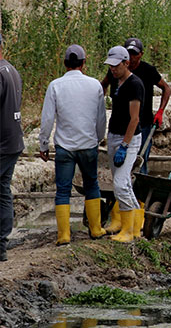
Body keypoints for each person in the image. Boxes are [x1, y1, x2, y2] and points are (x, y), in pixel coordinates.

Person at [39, 45, 108, 244]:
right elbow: (100, 117)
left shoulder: (55, 86)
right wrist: (97, 138)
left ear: (65, 64)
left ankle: (64, 235)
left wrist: (44, 144)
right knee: (92, 184)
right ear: (84, 63)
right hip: (88, 145)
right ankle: (95, 229)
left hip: (65, 148)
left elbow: (47, 120)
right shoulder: (94, 85)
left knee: (62, 190)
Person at [103, 38, 170, 175]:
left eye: (134, 53)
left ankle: (139, 194)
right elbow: (103, 85)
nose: (132, 57)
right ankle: (123, 192)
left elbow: (166, 88)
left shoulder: (148, 71)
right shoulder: (115, 70)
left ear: (141, 54)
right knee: (118, 166)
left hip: (142, 125)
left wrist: (160, 111)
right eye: (128, 53)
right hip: (118, 126)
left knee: (139, 161)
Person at [104, 45, 145, 242]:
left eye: (116, 65)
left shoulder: (135, 85)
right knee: (122, 183)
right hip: (113, 134)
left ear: (126, 63)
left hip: (128, 138)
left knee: (120, 184)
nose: (112, 69)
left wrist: (125, 146)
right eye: (110, 66)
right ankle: (136, 227)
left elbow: (134, 119)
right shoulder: (114, 80)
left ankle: (128, 231)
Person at [0, 32, 23, 261]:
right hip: (14, 141)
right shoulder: (12, 71)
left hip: (2, 143)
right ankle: (1, 245)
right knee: (3, 192)